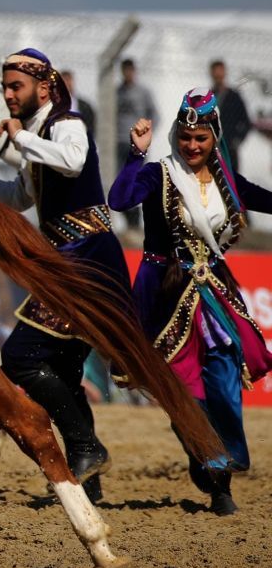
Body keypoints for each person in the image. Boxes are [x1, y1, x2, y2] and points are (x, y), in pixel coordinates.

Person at [0, 48, 132, 502]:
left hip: (87, 255)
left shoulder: (67, 122)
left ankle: (86, 448)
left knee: (21, 358)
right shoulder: (38, 133)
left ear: (43, 89)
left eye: (16, 87)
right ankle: (89, 476)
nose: (8, 95)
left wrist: (21, 137)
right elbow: (20, 197)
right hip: (69, 256)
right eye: (5, 87)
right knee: (62, 367)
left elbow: (73, 161)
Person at [109, 89, 272, 515]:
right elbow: (119, 199)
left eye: (201, 138)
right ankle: (212, 471)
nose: (192, 145)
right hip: (164, 292)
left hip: (212, 291)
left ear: (215, 137)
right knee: (183, 389)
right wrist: (135, 153)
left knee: (224, 372)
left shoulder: (226, 181)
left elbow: (265, 200)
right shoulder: (159, 174)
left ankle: (222, 464)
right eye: (185, 137)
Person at [115, 58, 156, 228]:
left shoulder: (143, 92)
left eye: (130, 70)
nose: (128, 74)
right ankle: (128, 215)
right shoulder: (116, 93)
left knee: (138, 178)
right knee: (122, 179)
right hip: (120, 142)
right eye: (125, 70)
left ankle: (138, 215)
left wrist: (146, 133)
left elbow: (154, 114)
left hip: (137, 143)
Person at [210, 61, 251, 174]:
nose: (218, 76)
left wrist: (237, 140)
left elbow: (246, 121)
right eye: (215, 72)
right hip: (211, 148)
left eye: (220, 72)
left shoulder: (234, 97)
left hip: (229, 149)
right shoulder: (208, 97)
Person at [61, 69, 97, 138]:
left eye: (68, 80)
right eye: (63, 81)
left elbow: (90, 126)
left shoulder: (84, 106)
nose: (66, 84)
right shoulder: (52, 105)